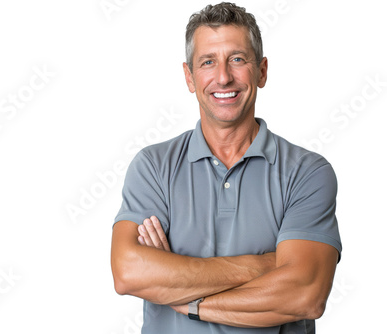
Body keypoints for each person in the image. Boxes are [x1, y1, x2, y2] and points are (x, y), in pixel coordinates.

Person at [110, 2, 341, 333]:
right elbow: (128, 273)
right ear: (189, 77)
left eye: (237, 59)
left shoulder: (307, 172)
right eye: (207, 62)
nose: (223, 77)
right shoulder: (153, 167)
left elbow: (305, 295)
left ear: (261, 71)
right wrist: (262, 266)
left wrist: (184, 299)